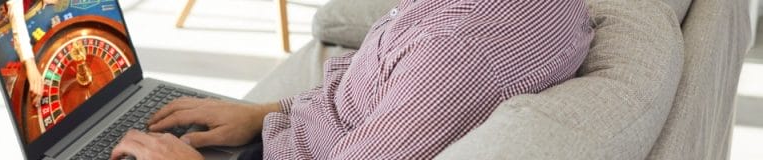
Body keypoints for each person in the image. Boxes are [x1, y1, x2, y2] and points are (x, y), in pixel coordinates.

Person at [111, 0, 593, 159]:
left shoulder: (454, 53)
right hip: (285, 134)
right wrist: (263, 114)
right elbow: (376, 90)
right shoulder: (562, 8)